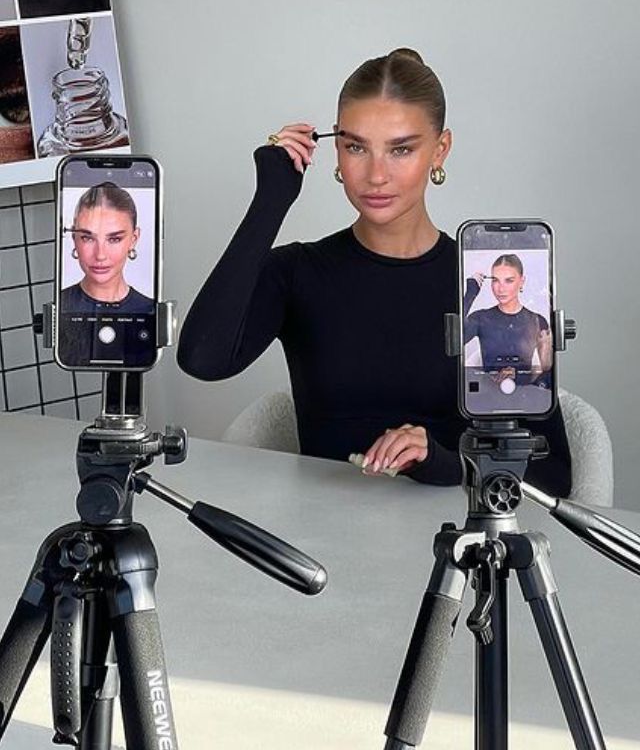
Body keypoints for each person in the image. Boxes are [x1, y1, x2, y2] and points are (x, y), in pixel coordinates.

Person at [177, 49, 571, 495]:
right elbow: (202, 360)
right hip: (323, 549)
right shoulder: (299, 272)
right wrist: (271, 199)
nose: (376, 175)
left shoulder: (490, 286)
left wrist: (445, 463)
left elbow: (554, 476)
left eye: (401, 149)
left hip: (459, 550)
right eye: (355, 147)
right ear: (336, 150)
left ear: (440, 150)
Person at [61, 182, 154, 314]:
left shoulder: (150, 312)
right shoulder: (58, 308)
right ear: (74, 238)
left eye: (114, 239)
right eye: (87, 238)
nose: (100, 255)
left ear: (133, 239)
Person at [464, 255, 553, 388]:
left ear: (521, 282)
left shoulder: (537, 321)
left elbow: (547, 377)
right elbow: (453, 340)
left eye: (509, 280)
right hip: (486, 398)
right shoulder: (480, 318)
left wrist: (519, 376)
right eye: (495, 280)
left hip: (524, 398)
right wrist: (470, 294)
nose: (500, 288)